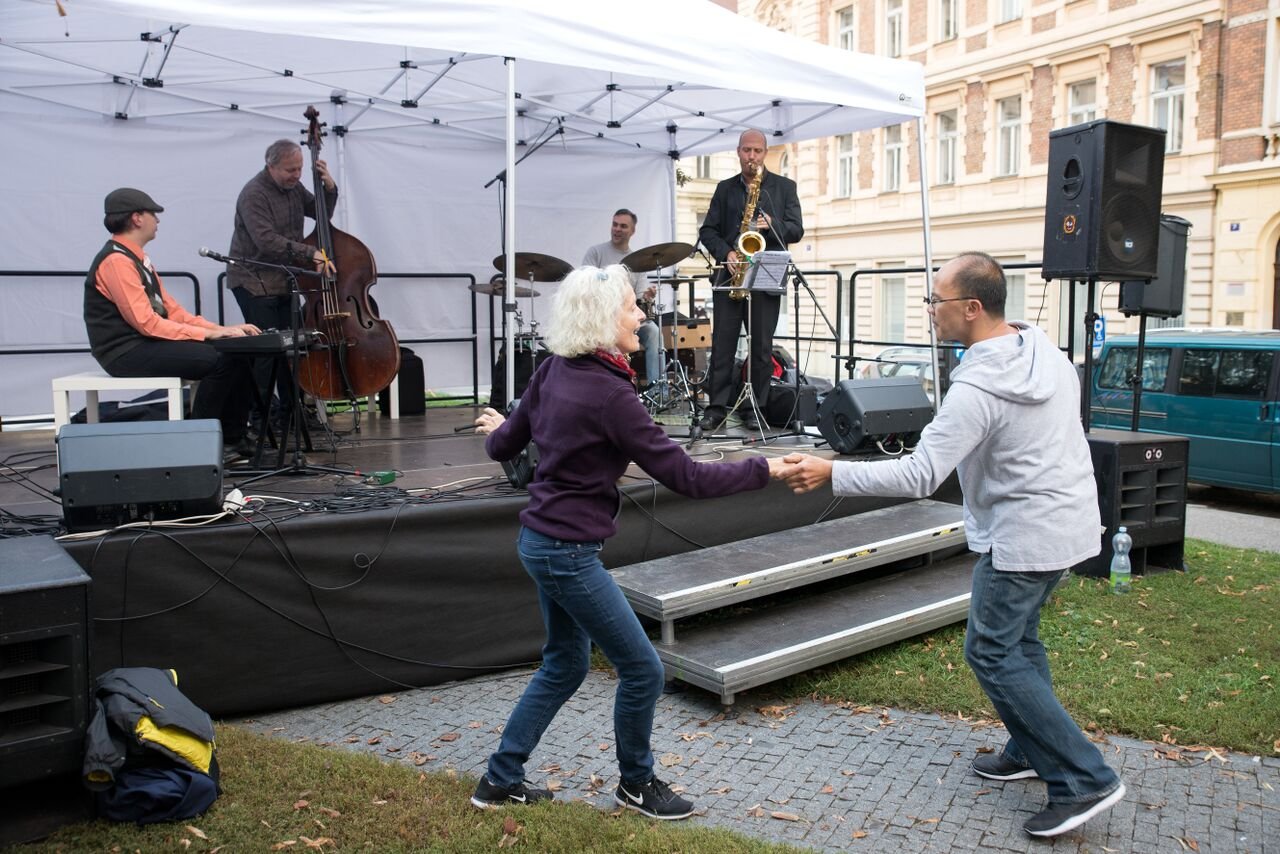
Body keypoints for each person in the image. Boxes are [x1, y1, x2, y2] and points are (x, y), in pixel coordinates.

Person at [778, 252, 1125, 838]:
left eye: (935, 300)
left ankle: (1084, 778)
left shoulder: (979, 389)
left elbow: (919, 475)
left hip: (1026, 535)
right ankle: (1028, 748)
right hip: (1068, 525)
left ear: (971, 307)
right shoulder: (1045, 353)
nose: (929, 310)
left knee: (990, 652)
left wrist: (830, 472)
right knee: (1021, 641)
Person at [470, 265, 789, 819]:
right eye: (631, 309)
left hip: (539, 540)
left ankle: (500, 780)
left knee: (565, 665)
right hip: (566, 552)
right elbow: (688, 478)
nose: (642, 317)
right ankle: (636, 783)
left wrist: (500, 424)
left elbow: (504, 446)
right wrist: (767, 468)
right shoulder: (611, 396)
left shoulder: (552, 370)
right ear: (601, 319)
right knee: (644, 669)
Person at [85, 188, 260, 461]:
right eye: (153, 214)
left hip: (142, 344)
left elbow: (172, 311)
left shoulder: (138, 259)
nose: (158, 220)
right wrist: (208, 335)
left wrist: (221, 331)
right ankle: (200, 447)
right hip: (124, 352)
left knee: (237, 350)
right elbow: (147, 324)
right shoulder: (116, 261)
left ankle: (233, 439)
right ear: (137, 218)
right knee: (220, 361)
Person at [698, 129, 804, 432]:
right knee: (722, 346)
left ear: (765, 153)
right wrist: (728, 253)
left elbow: (797, 231)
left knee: (761, 348)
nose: (752, 157)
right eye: (747, 150)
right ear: (738, 152)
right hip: (731, 274)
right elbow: (708, 231)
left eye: (757, 151)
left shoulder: (784, 187)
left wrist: (773, 224)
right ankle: (715, 409)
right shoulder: (724, 188)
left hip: (765, 276)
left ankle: (754, 408)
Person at [226, 139, 338, 423]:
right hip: (254, 280)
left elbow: (321, 215)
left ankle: (292, 413)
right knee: (266, 353)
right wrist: (310, 251)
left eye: (300, 169)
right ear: (271, 165)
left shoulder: (294, 188)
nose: (297, 175)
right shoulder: (254, 194)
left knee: (293, 350)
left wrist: (329, 188)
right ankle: (259, 420)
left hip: (284, 279)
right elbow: (265, 241)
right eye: (290, 170)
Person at [581, 209, 666, 396]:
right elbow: (584, 285)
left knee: (653, 332)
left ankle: (658, 392)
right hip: (601, 318)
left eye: (623, 226)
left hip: (628, 318)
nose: (617, 229)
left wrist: (648, 295)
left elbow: (641, 296)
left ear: (632, 231)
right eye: (615, 224)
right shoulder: (595, 252)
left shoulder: (639, 260)